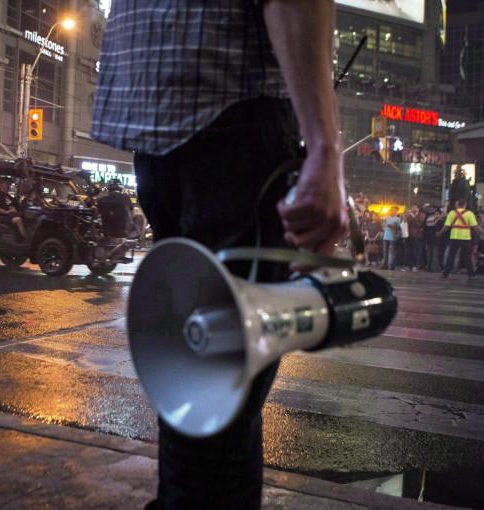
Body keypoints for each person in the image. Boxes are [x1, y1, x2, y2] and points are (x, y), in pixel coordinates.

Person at [91, 1, 347, 508]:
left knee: (201, 396)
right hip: (209, 124)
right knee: (204, 403)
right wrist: (323, 148)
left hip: (188, 129)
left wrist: (321, 147)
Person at [437, 198, 484, 281]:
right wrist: (483, 232)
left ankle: (445, 274)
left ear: (457, 205)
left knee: (451, 256)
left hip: (454, 237)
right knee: (467, 257)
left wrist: (440, 233)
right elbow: (475, 227)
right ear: (465, 205)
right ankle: (471, 275)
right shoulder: (469, 214)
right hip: (466, 238)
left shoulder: (452, 213)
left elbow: (446, 227)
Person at [403, 204, 425, 271]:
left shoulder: (420, 215)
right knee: (407, 251)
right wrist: (405, 217)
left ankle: (414, 265)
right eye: (412, 207)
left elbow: (418, 224)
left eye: (415, 207)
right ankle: (407, 265)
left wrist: (413, 217)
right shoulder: (409, 216)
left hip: (416, 235)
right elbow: (405, 223)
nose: (413, 209)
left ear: (418, 209)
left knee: (415, 251)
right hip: (408, 235)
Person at [380, 206, 400, 270]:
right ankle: (385, 265)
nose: (392, 211)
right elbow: (381, 219)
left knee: (392, 251)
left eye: (394, 210)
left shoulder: (397, 219)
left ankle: (392, 265)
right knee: (385, 251)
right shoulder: (387, 217)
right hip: (385, 236)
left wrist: (392, 226)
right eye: (391, 210)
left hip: (392, 237)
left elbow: (398, 228)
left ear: (396, 211)